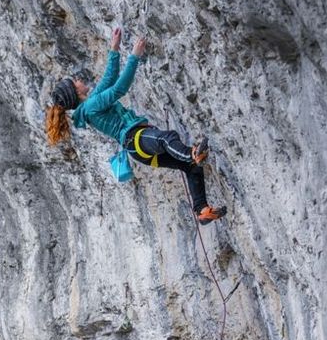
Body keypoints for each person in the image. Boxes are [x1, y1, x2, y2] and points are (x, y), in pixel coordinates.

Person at [45, 26, 227, 225]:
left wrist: (114, 48)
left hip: (137, 147)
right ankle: (193, 154)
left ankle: (202, 210)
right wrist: (134, 57)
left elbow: (109, 79)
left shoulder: (89, 105)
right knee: (167, 139)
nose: (79, 80)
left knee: (190, 167)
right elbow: (119, 89)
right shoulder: (90, 106)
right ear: (75, 92)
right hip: (136, 139)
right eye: (75, 81)